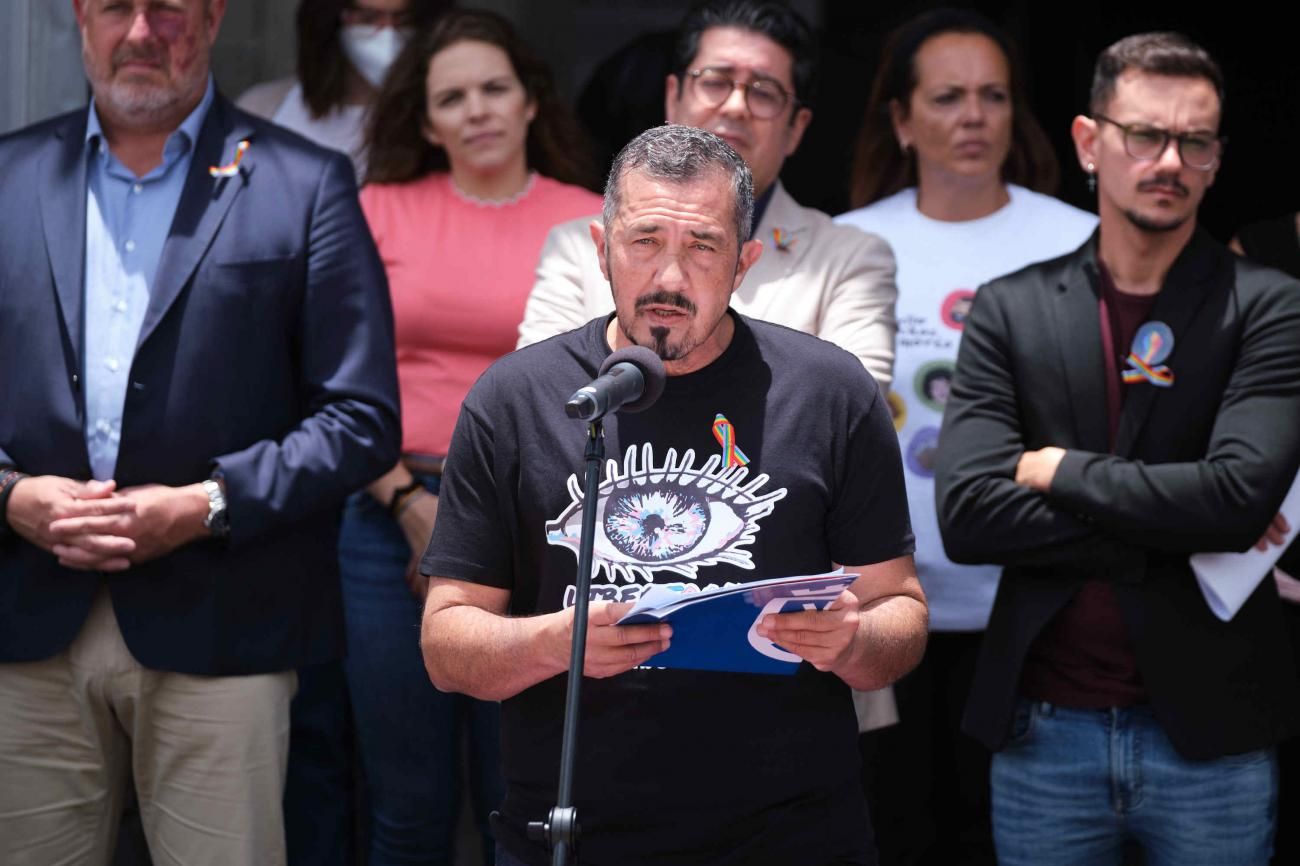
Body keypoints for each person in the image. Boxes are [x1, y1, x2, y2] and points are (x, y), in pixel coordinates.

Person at [418, 123, 926, 866]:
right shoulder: (516, 399)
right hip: (573, 832)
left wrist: (853, 640)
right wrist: (557, 642)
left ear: (745, 263)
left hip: (790, 833)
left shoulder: (829, 393)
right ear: (601, 249)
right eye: (645, 241)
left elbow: (902, 616)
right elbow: (445, 646)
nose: (669, 278)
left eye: (703, 247)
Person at [0, 1, 400, 864]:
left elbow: (361, 417)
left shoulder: (306, 181)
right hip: (23, 620)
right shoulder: (8, 176)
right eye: (117, 7)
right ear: (79, 17)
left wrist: (205, 504)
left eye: (170, 9)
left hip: (225, 620)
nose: (142, 32)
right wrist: (10, 495)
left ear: (215, 17)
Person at [934, 32, 1300, 865]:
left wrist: (1060, 470)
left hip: (1213, 732)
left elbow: (1238, 500)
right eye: (1145, 135)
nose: (1169, 160)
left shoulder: (1269, 306)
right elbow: (968, 517)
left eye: (1195, 142)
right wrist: (1180, 519)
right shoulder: (1010, 309)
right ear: (1091, 143)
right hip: (1042, 731)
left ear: (1215, 158)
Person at [833, 9, 1097, 863]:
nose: (974, 116)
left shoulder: (1077, 239)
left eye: (993, 96)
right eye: (947, 98)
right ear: (903, 120)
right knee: (895, 828)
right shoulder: (855, 241)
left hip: (1032, 603)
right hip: (882, 604)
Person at [343, 9, 602, 864]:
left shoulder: (594, 219)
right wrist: (408, 501)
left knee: (522, 798)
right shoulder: (375, 209)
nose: (478, 109)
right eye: (452, 97)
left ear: (531, 101)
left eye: (496, 87)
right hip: (388, 517)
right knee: (406, 801)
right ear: (424, 121)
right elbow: (336, 379)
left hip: (544, 524)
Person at [515, 0, 899, 394]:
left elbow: (845, 415)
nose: (735, 106)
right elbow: (543, 399)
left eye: (764, 92)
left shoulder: (850, 259)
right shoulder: (577, 247)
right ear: (673, 96)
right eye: (715, 81)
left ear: (796, 128)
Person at [237, 0, 448, 181]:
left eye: (404, 20)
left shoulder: (448, 113)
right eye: (367, 18)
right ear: (331, 18)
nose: (387, 34)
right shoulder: (264, 108)